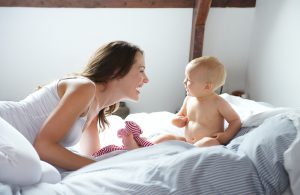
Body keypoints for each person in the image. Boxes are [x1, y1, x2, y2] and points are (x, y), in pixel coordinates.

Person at [0, 41, 149, 184]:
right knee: (30, 171)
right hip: (5, 123)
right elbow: (44, 147)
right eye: (141, 70)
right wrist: (109, 169)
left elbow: (91, 156)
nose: (146, 79)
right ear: (117, 70)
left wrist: (131, 150)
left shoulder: (95, 108)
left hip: (18, 144)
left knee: (51, 176)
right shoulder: (84, 87)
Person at [153, 56, 241, 147]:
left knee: (209, 142)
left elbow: (235, 120)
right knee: (167, 137)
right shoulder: (188, 99)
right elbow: (180, 115)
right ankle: (146, 145)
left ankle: (190, 154)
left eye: (189, 80)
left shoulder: (218, 102)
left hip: (207, 142)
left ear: (207, 86)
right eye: (185, 78)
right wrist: (177, 120)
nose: (184, 81)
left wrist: (226, 135)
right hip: (187, 141)